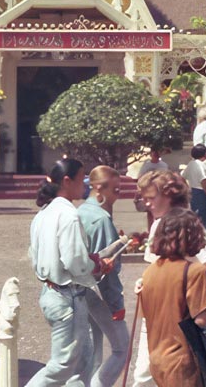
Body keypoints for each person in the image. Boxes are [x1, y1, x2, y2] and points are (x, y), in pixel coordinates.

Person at [132, 170, 206, 387]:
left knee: (154, 375)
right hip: (157, 310)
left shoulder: (185, 222)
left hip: (177, 316)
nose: (146, 203)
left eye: (150, 198)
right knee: (145, 375)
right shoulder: (159, 223)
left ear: (168, 195)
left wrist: (193, 287)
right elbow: (156, 268)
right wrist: (145, 282)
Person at [26, 158, 114, 387]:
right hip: (67, 296)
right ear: (67, 181)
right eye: (81, 177)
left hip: (52, 292)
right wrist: (97, 266)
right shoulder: (68, 215)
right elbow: (75, 263)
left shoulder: (43, 214)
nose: (85, 183)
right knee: (63, 365)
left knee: (82, 362)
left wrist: (89, 261)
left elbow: (35, 254)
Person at [137, 207, 206, 387]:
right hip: (183, 360)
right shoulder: (195, 271)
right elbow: (202, 320)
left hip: (157, 359)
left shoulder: (150, 272)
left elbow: (149, 313)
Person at [77, 165, 130, 387]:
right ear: (99, 189)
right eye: (115, 190)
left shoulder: (80, 212)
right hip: (98, 293)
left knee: (93, 352)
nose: (118, 195)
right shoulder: (100, 219)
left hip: (79, 291)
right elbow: (105, 270)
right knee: (121, 349)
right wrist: (116, 303)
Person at [136, 148, 169, 229]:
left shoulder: (164, 165)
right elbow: (140, 177)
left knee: (162, 212)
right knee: (150, 212)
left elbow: (167, 178)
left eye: (157, 154)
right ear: (151, 155)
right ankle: (150, 230)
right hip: (149, 192)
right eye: (154, 154)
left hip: (161, 192)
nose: (156, 156)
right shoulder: (146, 165)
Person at [184, 144, 206, 228]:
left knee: (194, 215)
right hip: (201, 193)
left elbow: (182, 176)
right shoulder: (200, 164)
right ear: (204, 154)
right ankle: (202, 237)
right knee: (203, 217)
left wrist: (187, 189)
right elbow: (203, 180)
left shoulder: (191, 164)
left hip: (193, 192)